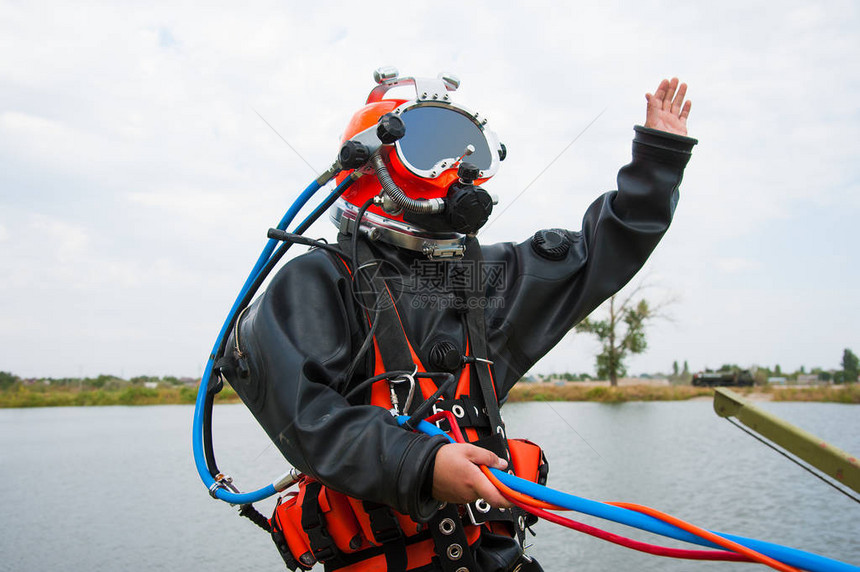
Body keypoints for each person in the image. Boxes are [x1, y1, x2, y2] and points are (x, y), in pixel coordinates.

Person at [221, 70, 695, 571]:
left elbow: (598, 255)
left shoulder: (489, 276)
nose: (459, 168)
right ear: (370, 162)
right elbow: (309, 422)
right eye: (433, 149)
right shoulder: (315, 281)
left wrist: (657, 161)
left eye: (472, 149)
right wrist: (424, 465)